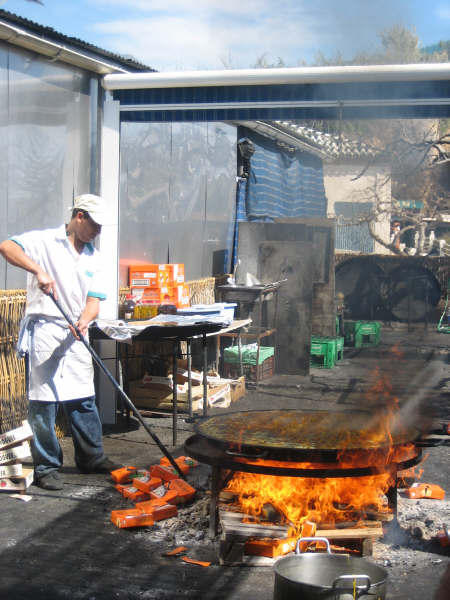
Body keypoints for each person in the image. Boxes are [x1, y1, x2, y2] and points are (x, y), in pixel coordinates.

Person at [0, 194, 121, 490]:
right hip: (46, 328)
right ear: (79, 216)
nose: (98, 231)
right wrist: (38, 270)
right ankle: (46, 467)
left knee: (83, 400)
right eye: (95, 224)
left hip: (76, 331)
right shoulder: (44, 241)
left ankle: (91, 457)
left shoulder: (96, 258)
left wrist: (85, 320)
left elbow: (94, 301)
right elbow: (6, 247)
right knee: (44, 403)